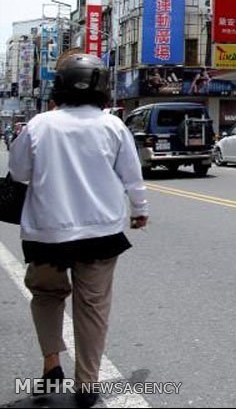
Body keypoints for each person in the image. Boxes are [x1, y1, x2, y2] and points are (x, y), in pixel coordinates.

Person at [8, 53, 148, 408]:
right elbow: (132, 177)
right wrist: (140, 211)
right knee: (92, 307)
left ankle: (51, 365)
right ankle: (87, 384)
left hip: (47, 233)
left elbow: (19, 172)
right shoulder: (113, 126)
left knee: (46, 295)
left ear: (59, 87)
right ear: (102, 88)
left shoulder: (39, 125)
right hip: (102, 233)